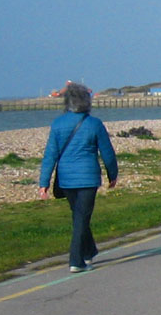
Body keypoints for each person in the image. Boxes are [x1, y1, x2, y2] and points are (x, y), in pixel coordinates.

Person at [38, 82, 118, 273]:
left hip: (66, 179)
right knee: (81, 217)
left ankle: (89, 251)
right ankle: (76, 260)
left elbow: (50, 155)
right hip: (88, 178)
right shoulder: (94, 124)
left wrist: (44, 183)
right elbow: (107, 153)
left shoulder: (58, 123)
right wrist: (112, 175)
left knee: (80, 216)